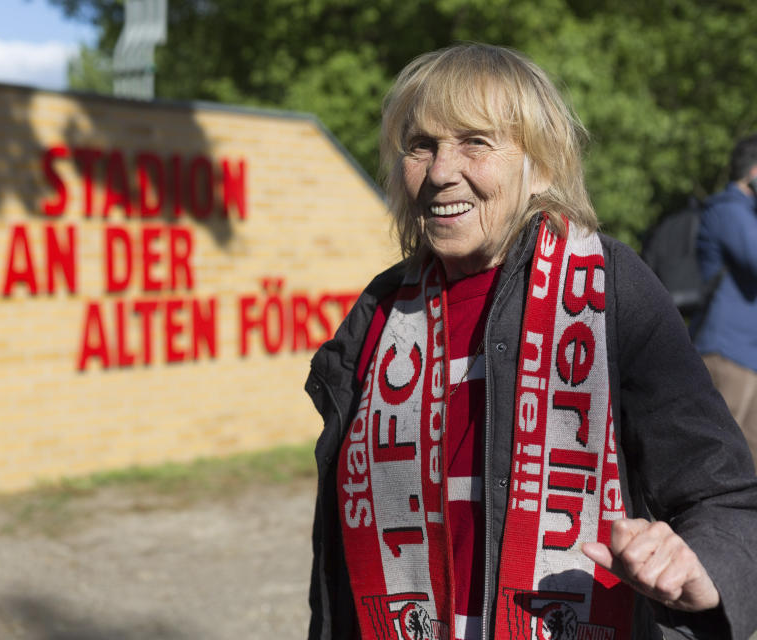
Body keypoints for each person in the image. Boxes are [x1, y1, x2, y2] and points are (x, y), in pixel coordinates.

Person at [305, 43, 757, 640]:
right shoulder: (378, 313)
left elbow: (725, 498)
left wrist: (702, 565)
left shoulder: (611, 290)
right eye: (421, 146)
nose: (441, 171)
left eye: (475, 141)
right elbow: (341, 558)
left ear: (539, 165)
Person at [695, 133, 757, 473]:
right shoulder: (729, 209)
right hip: (727, 352)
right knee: (718, 458)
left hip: (748, 355)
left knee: (747, 465)